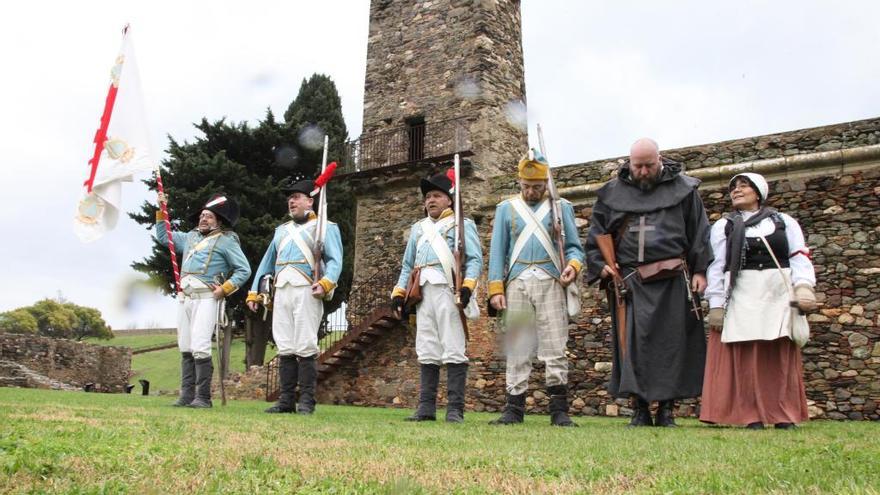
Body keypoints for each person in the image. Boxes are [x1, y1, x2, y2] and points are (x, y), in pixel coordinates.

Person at [584, 138, 712, 427]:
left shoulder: (684, 190)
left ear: (660, 160)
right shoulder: (611, 195)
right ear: (629, 162)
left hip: (672, 279)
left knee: (673, 345)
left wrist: (700, 270)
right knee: (633, 346)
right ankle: (640, 409)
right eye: (637, 166)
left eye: (649, 165)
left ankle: (666, 410)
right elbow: (596, 235)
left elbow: (699, 231)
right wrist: (600, 265)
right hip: (631, 283)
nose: (643, 172)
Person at [700, 172, 816, 430]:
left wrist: (804, 286)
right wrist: (716, 304)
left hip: (777, 292)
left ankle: (782, 414)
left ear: (758, 192)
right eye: (733, 187)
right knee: (745, 357)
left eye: (744, 186)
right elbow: (717, 266)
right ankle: (750, 413)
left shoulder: (784, 221)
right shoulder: (724, 226)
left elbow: (798, 256)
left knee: (778, 356)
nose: (737, 191)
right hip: (743, 292)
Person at [486, 149, 585, 427]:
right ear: (519, 182)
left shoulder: (561, 206)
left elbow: (576, 249)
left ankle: (559, 411)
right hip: (517, 283)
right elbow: (497, 253)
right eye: (526, 186)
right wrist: (496, 289)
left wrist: (573, 267)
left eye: (537, 187)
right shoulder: (506, 209)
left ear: (546, 184)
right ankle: (514, 409)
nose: (531, 192)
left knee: (555, 344)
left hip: (551, 280)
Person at [390, 170, 483, 423]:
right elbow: (407, 265)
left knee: (454, 347)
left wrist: (467, 287)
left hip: (448, 291)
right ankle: (426, 408)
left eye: (436, 195)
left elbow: (475, 260)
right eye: (428, 196)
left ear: (449, 200)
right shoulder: (418, 228)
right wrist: (399, 293)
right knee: (427, 347)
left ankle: (455, 409)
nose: (430, 200)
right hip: (422, 294)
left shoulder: (463, 224)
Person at [246, 178, 343, 415]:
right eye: (290, 198)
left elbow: (335, 260)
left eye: (296, 197)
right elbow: (266, 264)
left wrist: (326, 282)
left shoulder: (325, 227)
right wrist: (255, 292)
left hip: (307, 289)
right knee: (285, 345)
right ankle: (286, 400)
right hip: (282, 291)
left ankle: (307, 401)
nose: (291, 201)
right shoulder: (282, 231)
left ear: (310, 201)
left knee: (305, 344)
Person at [156, 193, 251, 408]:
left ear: (219, 220)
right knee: (186, 346)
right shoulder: (190, 237)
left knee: (200, 345)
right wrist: (162, 209)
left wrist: (224, 289)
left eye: (209, 216)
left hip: (208, 298)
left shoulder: (227, 241)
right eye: (202, 215)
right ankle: (187, 395)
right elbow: (165, 237)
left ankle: (203, 397)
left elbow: (243, 269)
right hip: (186, 298)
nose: (203, 219)